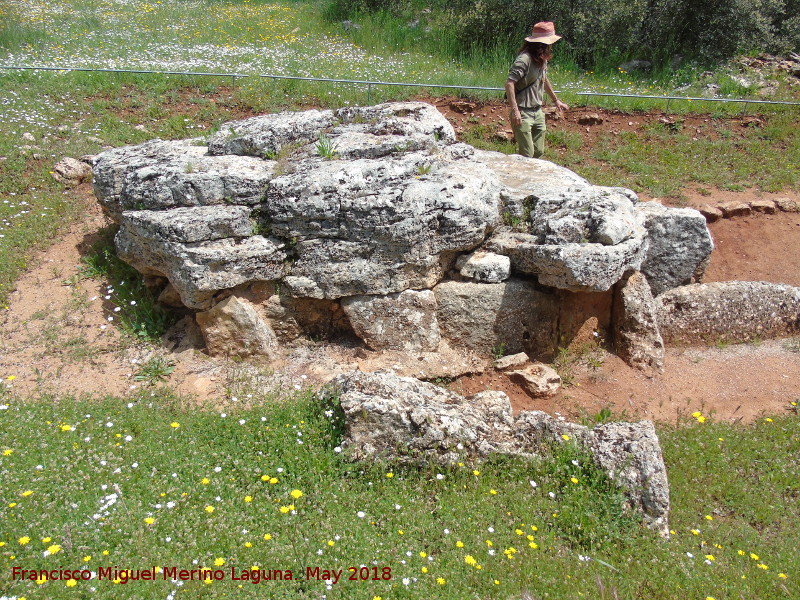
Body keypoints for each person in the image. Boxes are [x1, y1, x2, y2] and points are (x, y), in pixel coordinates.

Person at [505, 21, 569, 158]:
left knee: (538, 152)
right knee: (528, 154)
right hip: (523, 112)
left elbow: (544, 79)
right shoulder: (524, 60)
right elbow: (510, 83)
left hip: (538, 111)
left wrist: (556, 100)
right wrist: (515, 111)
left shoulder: (542, 59)